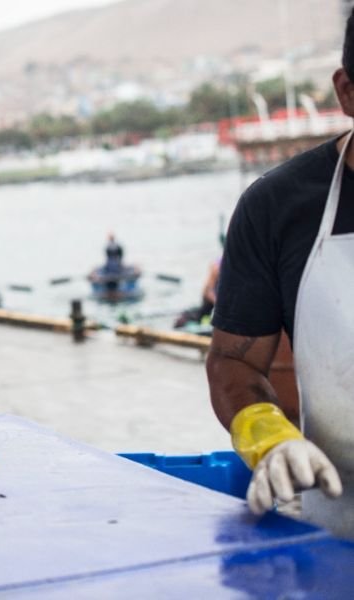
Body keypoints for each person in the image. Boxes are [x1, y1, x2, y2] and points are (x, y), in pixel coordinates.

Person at [206, 7, 354, 538]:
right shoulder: (277, 207)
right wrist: (270, 437)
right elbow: (232, 361)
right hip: (340, 532)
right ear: (347, 92)